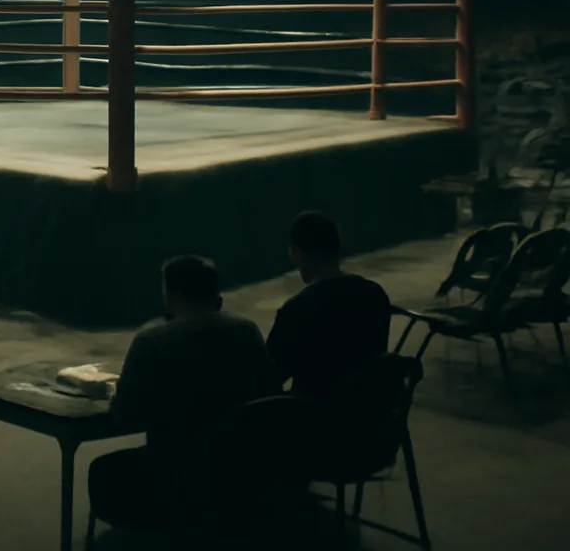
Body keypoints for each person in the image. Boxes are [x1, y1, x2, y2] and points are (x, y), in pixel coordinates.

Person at [87, 255, 278, 535]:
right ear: (216, 295)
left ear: (169, 297)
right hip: (241, 471)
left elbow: (124, 414)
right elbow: (269, 393)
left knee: (105, 471)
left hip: (172, 475)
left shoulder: (151, 341)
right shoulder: (247, 332)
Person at [267, 212, 392, 401]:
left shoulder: (297, 310)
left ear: (297, 252)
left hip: (316, 421)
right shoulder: (375, 295)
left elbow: (270, 376)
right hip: (368, 415)